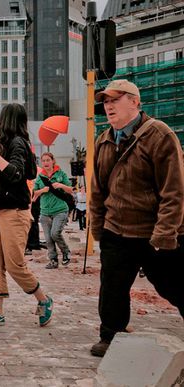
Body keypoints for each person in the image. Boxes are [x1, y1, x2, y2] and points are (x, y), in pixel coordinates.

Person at [89, 79, 184, 357]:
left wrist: (165, 234)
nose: (108, 106)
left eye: (115, 100)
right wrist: (99, 229)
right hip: (116, 231)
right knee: (112, 288)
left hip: (153, 232)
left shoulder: (159, 135)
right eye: (105, 102)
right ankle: (110, 336)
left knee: (174, 285)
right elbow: (97, 190)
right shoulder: (104, 139)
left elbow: (174, 191)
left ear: (134, 101)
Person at [0, 103, 54, 328]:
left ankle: (44, 299)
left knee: (14, 264)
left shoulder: (18, 143)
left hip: (14, 213)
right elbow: (10, 174)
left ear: (5, 120)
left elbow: (16, 173)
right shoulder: (8, 146)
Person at [32, 152, 73, 269]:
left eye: (48, 160)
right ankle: (53, 260)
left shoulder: (61, 174)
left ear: (52, 161)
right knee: (48, 239)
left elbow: (70, 190)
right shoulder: (40, 177)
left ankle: (66, 252)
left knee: (55, 233)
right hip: (45, 212)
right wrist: (42, 191)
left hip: (60, 210)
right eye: (43, 161)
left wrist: (60, 185)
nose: (45, 163)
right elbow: (35, 193)